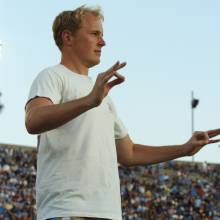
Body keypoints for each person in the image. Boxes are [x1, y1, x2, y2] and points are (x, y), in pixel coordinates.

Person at [25, 5, 220, 220]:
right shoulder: (52, 76)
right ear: (68, 37)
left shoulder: (102, 96)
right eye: (94, 34)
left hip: (109, 213)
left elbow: (129, 153)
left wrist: (184, 149)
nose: (103, 42)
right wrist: (90, 101)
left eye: (102, 35)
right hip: (67, 211)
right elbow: (34, 120)